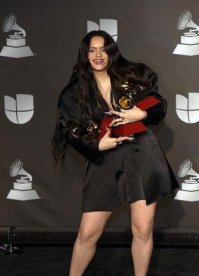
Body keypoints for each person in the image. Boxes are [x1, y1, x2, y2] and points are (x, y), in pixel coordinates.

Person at [52, 30, 178, 276]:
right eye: (92, 50)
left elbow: (158, 104)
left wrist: (141, 114)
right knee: (87, 233)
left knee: (142, 229)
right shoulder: (75, 91)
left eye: (103, 49)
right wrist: (96, 145)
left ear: (111, 51)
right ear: (85, 54)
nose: (98, 55)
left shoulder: (135, 74)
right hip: (105, 156)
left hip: (142, 152)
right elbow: (69, 128)